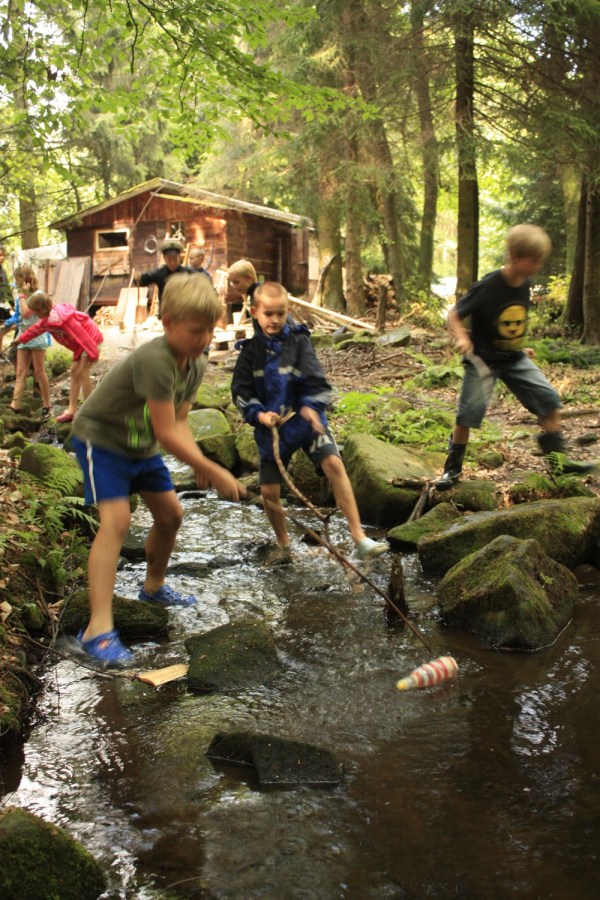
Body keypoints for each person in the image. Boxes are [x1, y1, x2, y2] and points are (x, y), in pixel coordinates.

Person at [70, 272, 240, 665]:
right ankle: (97, 629)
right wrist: (212, 469)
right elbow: (165, 433)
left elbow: (179, 422)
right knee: (117, 521)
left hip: (140, 448)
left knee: (171, 516)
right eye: (195, 331)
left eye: (209, 331)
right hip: (102, 441)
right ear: (168, 324)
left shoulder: (194, 363)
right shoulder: (155, 360)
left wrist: (198, 460)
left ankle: (153, 587)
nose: (204, 339)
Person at [231, 281, 388, 563]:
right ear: (255, 312)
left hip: (306, 422)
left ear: (288, 310)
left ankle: (359, 537)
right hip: (272, 432)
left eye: (280, 313)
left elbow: (316, 380)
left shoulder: (299, 341)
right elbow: (241, 393)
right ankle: (284, 543)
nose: (275, 319)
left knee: (335, 464)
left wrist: (312, 407)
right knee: (268, 492)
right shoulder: (250, 352)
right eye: (268, 313)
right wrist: (260, 414)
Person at [436, 223, 594, 489]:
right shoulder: (489, 285)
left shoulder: (524, 285)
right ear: (514, 257)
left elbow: (511, 322)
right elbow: (454, 314)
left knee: (549, 400)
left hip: (514, 358)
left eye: (540, 261)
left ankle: (558, 462)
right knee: (467, 415)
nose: (538, 266)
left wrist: (519, 347)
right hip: (483, 361)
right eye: (534, 261)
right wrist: (462, 337)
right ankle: (452, 469)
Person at [17, 292, 104, 423]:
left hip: (91, 340)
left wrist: (93, 353)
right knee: (74, 372)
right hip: (79, 345)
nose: (33, 314)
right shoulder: (48, 320)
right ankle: (71, 411)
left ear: (42, 309)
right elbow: (36, 329)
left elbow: (83, 336)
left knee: (82, 373)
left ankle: (90, 412)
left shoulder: (63, 319)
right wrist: (20, 339)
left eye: (35, 311)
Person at [7, 265, 52, 418]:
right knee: (21, 372)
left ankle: (46, 404)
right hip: (23, 335)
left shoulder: (38, 295)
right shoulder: (21, 295)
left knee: (39, 371)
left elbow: (27, 312)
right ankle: (15, 405)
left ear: (26, 279)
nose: (16, 282)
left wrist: (22, 296)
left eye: (18, 279)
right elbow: (20, 316)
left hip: (37, 336)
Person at [136, 239, 193, 318]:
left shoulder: (188, 273)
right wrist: (138, 278)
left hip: (184, 314)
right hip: (166, 314)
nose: (172, 263)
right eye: (169, 260)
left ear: (179, 257)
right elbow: (144, 280)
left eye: (175, 259)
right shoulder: (160, 273)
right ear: (164, 258)